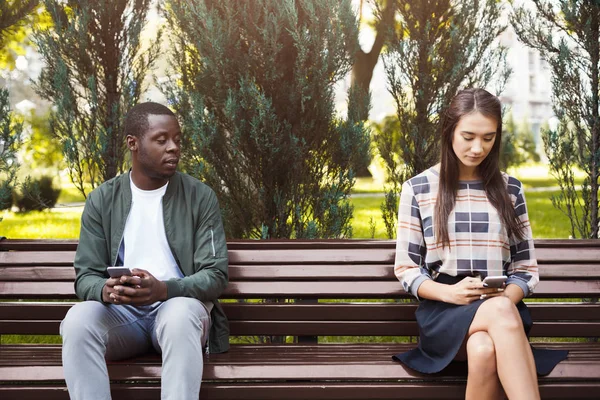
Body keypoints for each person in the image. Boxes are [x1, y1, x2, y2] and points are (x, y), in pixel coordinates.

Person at [392, 88, 567, 400]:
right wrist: (450, 292)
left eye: (488, 138)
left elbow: (526, 270)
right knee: (495, 318)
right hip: (443, 311)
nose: (478, 147)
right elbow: (406, 268)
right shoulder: (417, 189)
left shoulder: (510, 189)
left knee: (484, 348)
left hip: (503, 307)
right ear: (449, 131)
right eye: (468, 136)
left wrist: (502, 300)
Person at [60, 102, 229, 400]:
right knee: (77, 321)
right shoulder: (102, 200)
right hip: (123, 317)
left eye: (177, 139)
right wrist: (106, 290)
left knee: (179, 317)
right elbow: (85, 276)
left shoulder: (199, 197)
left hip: (178, 308)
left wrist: (164, 289)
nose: (173, 148)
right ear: (133, 144)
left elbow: (215, 276)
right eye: (162, 140)